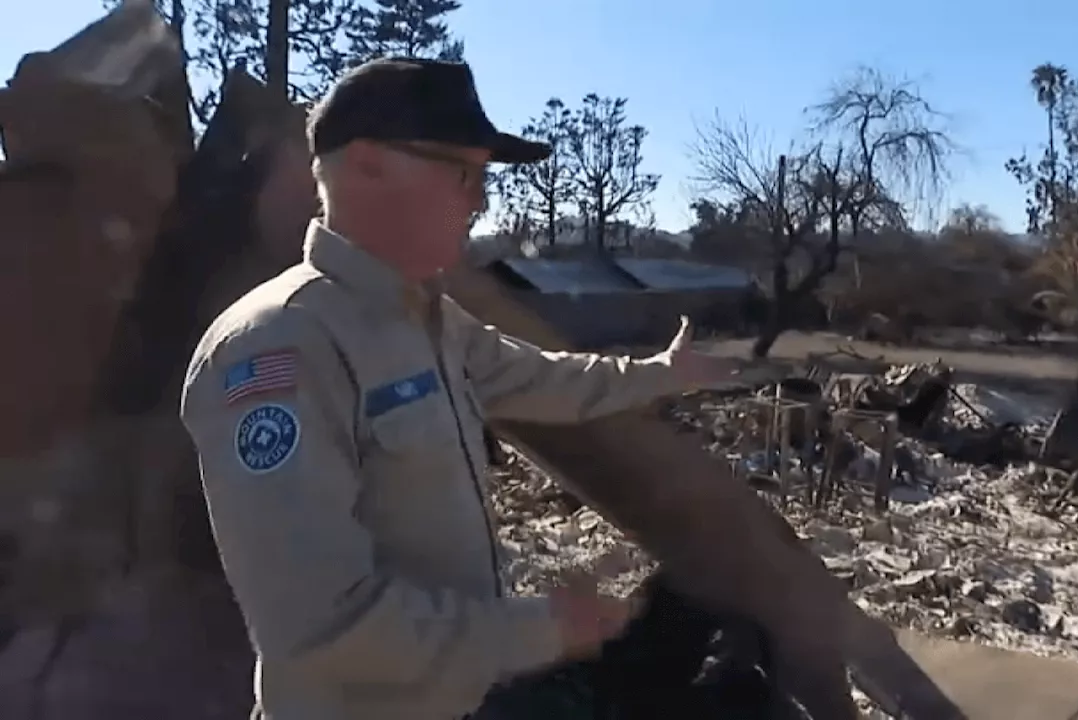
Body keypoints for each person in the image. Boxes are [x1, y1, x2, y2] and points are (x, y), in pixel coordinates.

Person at [179, 57, 734, 720]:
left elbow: (543, 378)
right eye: (462, 172)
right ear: (366, 166)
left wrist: (661, 374)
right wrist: (543, 629)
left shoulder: (429, 320)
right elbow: (321, 629)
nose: (481, 200)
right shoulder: (280, 346)